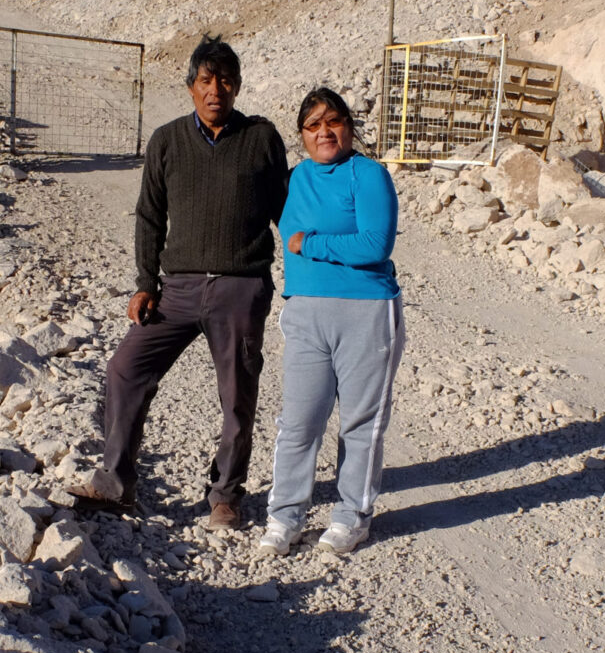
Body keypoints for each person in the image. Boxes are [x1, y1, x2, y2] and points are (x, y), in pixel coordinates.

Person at [75, 36, 289, 529]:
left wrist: (300, 271)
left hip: (239, 287)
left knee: (237, 393)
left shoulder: (261, 137)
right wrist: (145, 282)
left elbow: (285, 211)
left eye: (226, 80)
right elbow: (150, 216)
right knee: (125, 369)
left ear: (237, 86)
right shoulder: (167, 140)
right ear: (191, 86)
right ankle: (115, 483)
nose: (217, 90)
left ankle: (226, 495)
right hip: (177, 288)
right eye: (206, 80)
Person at [258, 87, 404, 557]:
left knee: (360, 423)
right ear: (301, 134)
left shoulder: (369, 175)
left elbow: (375, 244)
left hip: (366, 312)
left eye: (333, 122)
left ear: (349, 127)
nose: (324, 132)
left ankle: (351, 517)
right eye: (313, 125)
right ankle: (285, 518)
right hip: (305, 311)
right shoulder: (294, 178)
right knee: (299, 420)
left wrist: (309, 243)